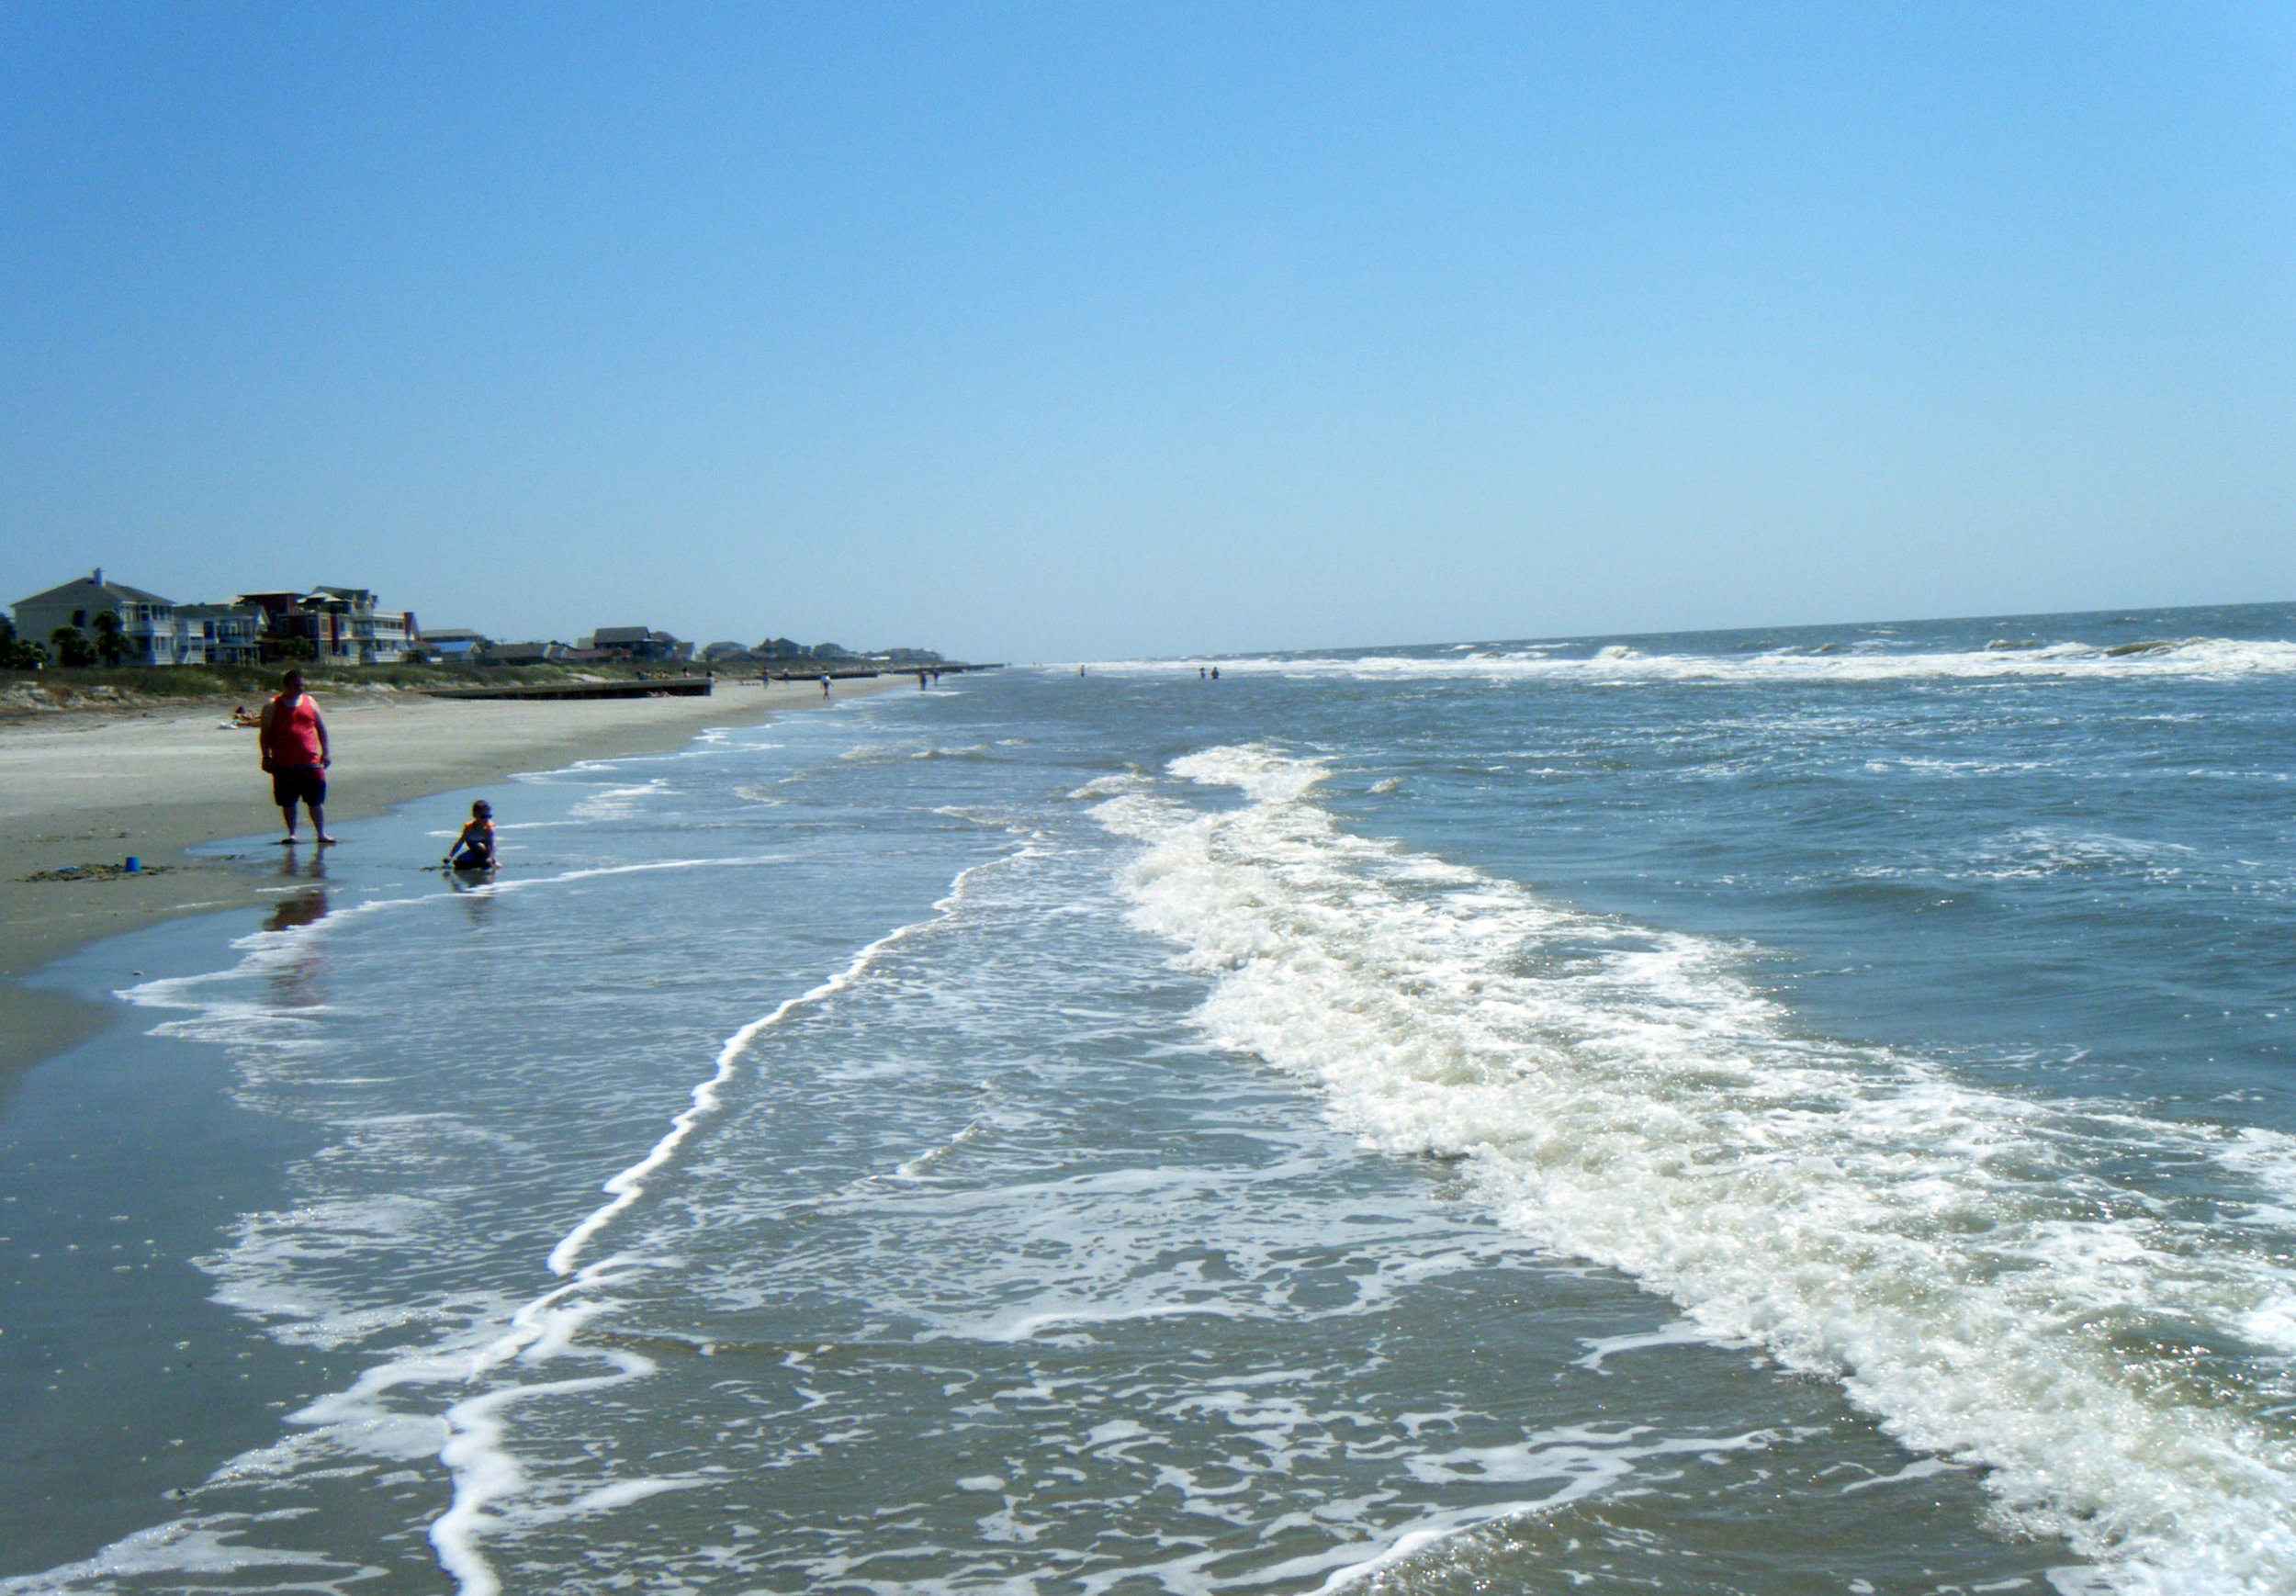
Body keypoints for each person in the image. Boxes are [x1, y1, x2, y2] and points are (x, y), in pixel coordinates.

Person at [257, 669, 333, 845]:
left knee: (315, 801)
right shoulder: (272, 705)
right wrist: (266, 756)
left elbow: (321, 728)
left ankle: (321, 833)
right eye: (296, 685)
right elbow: (265, 734)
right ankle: (292, 833)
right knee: (288, 802)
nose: (300, 689)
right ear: (286, 685)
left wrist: (326, 752)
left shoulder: (310, 702)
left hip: (310, 762)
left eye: (302, 685)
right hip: (283, 763)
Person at [445, 800, 497, 871]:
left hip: (486, 852)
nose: (486, 819)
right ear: (475, 815)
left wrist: (490, 857)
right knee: (457, 862)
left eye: (489, 816)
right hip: (474, 851)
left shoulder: (489, 828)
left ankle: (488, 862)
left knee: (480, 847)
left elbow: (493, 844)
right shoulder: (469, 827)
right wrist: (450, 856)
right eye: (483, 816)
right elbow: (460, 842)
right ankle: (477, 863)